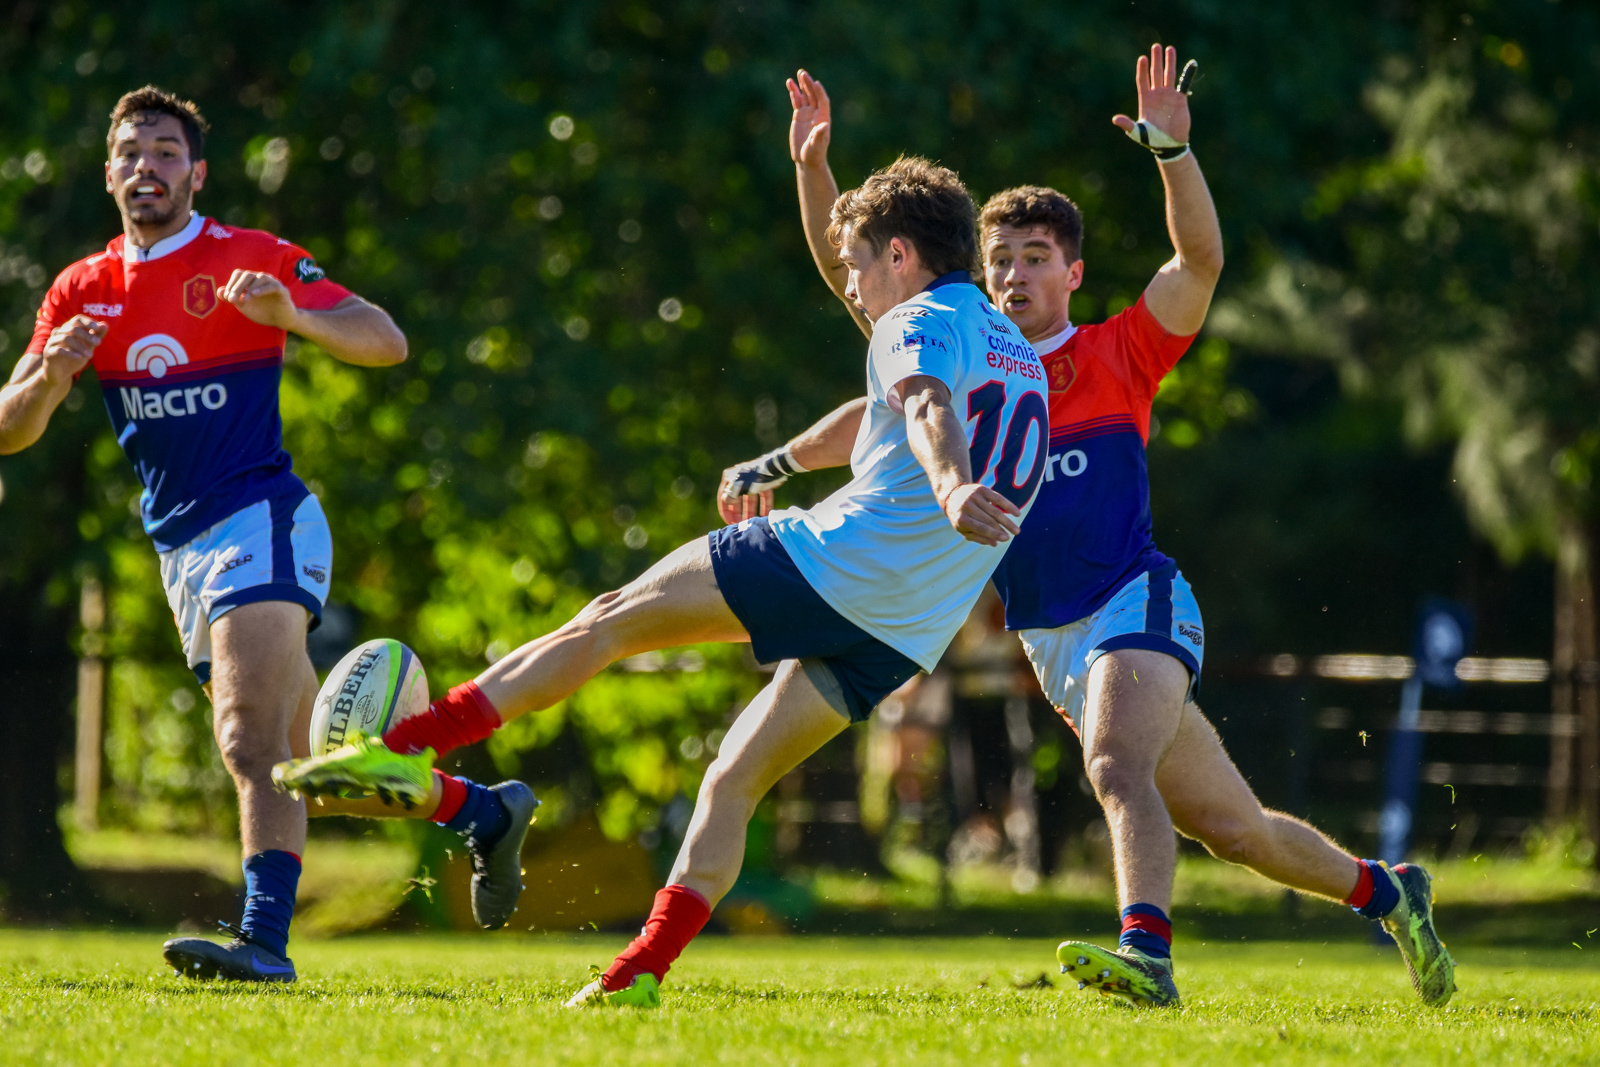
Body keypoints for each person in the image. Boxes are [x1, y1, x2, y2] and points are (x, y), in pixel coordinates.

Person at [724, 46, 1454, 1008]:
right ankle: (1390, 891)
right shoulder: (958, 349)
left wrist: (1170, 154)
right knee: (1235, 829)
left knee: (1114, 766)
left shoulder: (1118, 352)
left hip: (1133, 598)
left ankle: (1146, 956)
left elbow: (1200, 263)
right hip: (1050, 638)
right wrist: (814, 168)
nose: (1015, 275)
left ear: (1074, 271)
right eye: (1000, 261)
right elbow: (845, 266)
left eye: (1035, 258)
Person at [272, 155, 1051, 1008]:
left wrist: (950, 486)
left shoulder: (919, 323)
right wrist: (811, 168)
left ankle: (405, 744)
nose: (853, 286)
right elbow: (884, 392)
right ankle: (634, 974)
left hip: (833, 562)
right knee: (734, 779)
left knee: (603, 623)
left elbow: (929, 405)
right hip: (903, 627)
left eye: (863, 264)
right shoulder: (1012, 347)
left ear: (901, 255)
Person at [0, 87, 536, 983]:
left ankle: (264, 943)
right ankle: (483, 812)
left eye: (166, 152)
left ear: (197, 173)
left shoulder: (252, 258)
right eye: (131, 153)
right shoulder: (80, 290)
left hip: (265, 520)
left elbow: (386, 339)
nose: (148, 168)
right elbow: (10, 427)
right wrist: (51, 376)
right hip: (182, 550)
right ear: (107, 175)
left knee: (248, 742)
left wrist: (294, 318)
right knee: (318, 771)